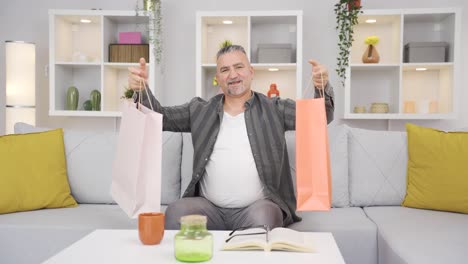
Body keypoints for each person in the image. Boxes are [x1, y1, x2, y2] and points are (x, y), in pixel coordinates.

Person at [128, 45, 334, 230]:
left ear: (251, 72)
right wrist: (140, 90)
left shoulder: (275, 108)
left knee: (265, 217)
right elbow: (158, 117)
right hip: (208, 209)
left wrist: (321, 86)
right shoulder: (200, 110)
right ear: (218, 77)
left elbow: (318, 118)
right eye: (225, 70)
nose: (233, 74)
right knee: (175, 212)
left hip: (258, 207)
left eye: (239, 67)